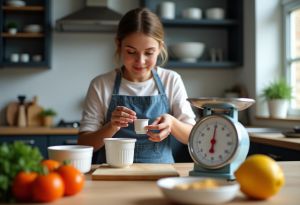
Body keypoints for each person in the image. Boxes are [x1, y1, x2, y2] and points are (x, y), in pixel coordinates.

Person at [78, 7, 196, 164]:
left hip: (161, 175)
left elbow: (193, 137)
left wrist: (172, 123)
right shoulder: (101, 84)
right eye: (131, 52)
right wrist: (111, 127)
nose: (140, 61)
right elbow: (84, 144)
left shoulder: (171, 80)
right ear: (119, 45)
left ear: (160, 48)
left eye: (149, 52)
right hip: (111, 176)